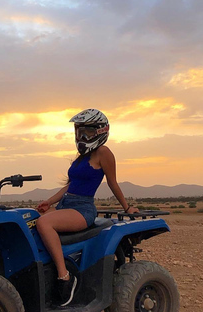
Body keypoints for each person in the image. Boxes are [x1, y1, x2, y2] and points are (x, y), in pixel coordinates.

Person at [36, 108, 139, 307]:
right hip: (67, 204)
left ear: (101, 131)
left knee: (44, 224)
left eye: (88, 132)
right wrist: (49, 202)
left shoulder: (104, 153)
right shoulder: (81, 157)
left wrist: (127, 208)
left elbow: (112, 182)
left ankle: (64, 277)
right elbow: (70, 186)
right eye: (79, 131)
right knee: (31, 218)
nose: (82, 136)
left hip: (83, 209)